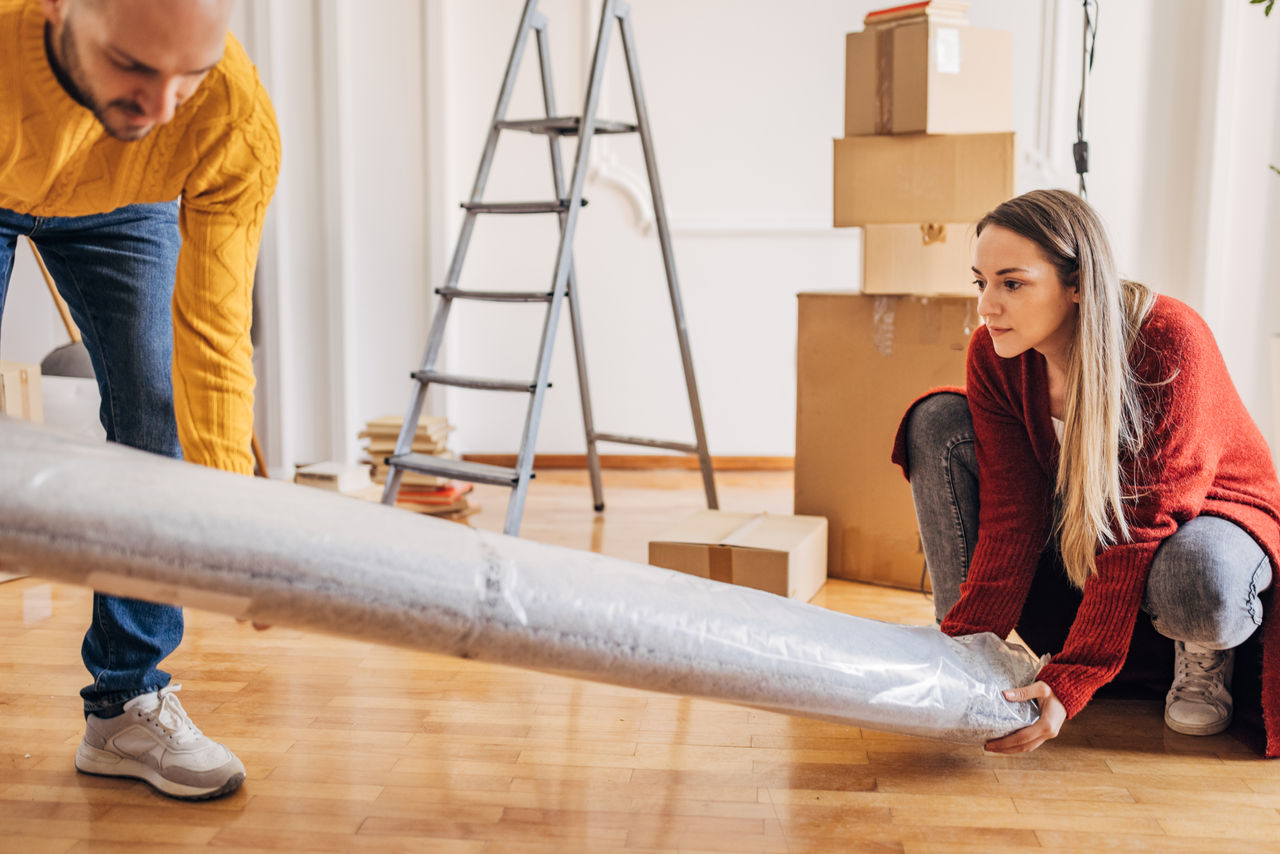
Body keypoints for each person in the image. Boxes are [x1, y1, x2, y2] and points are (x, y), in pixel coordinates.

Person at [0, 0, 280, 797]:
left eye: (187, 74)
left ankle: (126, 703)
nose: (161, 106)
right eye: (132, 65)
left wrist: (223, 515)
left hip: (123, 200)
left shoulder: (229, 113)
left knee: (158, 405)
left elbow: (216, 339)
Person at [892, 189, 1280, 757]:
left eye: (1012, 283)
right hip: (1089, 515)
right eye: (982, 282)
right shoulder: (993, 354)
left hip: (1209, 518)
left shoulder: (1166, 339)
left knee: (1197, 577)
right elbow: (1013, 512)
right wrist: (968, 643)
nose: (987, 306)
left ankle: (1202, 656)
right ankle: (964, 649)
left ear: (1076, 285)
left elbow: (1138, 527)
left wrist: (1074, 677)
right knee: (935, 420)